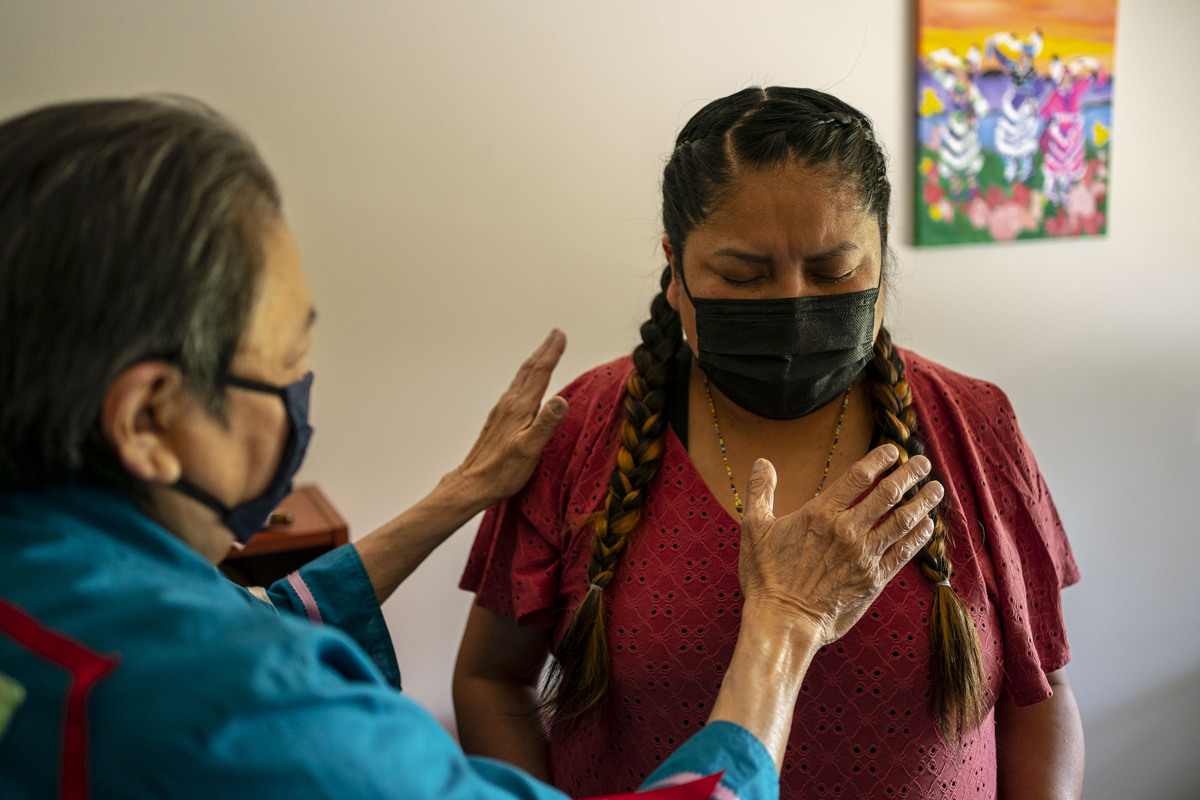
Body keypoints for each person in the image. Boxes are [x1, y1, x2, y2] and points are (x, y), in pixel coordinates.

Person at [0, 96, 940, 799]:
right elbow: (267, 660)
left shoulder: (47, 573)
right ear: (146, 421)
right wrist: (780, 627)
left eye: (830, 268)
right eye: (287, 360)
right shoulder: (264, 724)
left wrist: (457, 495)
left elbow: (240, 613)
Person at [454, 87, 1085, 799]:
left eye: (833, 270)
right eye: (742, 276)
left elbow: (1043, 695)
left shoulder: (974, 424)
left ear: (883, 257)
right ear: (676, 268)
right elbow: (489, 681)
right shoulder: (585, 430)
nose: (793, 303)